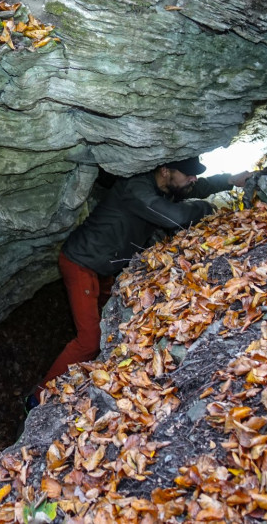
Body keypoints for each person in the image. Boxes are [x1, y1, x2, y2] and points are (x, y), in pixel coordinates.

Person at [30, 156, 252, 405]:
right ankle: (37, 397)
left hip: (104, 265)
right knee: (89, 339)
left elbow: (194, 188)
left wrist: (230, 180)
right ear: (166, 170)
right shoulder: (137, 190)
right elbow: (174, 217)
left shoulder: (166, 186)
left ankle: (88, 368)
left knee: (107, 322)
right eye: (188, 173)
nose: (193, 178)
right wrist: (206, 209)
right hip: (81, 263)